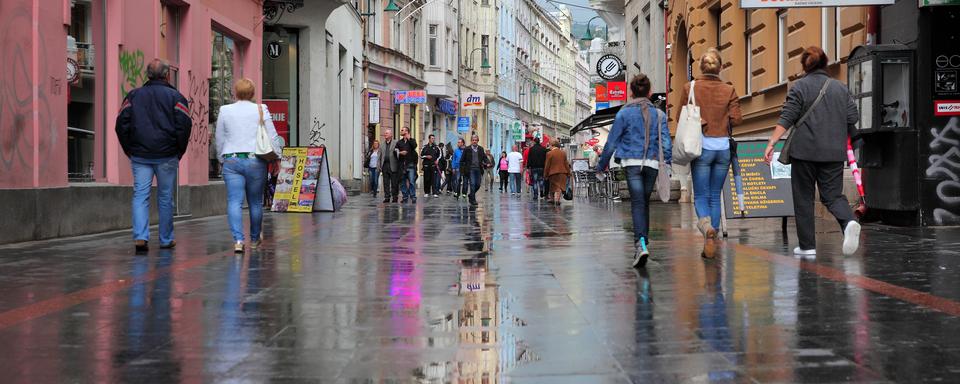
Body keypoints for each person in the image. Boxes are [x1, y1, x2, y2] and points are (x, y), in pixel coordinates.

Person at [764, 46, 861, 257]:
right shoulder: (840, 88)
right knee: (833, 195)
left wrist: (772, 142)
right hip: (833, 152)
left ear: (803, 66)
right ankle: (849, 222)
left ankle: (807, 246)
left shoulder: (799, 88)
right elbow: (852, 118)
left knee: (803, 197)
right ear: (825, 63)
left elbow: (787, 117)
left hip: (804, 152)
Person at [115, 59, 192, 252]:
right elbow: (184, 126)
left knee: (140, 195)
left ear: (147, 75)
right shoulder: (176, 97)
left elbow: (121, 124)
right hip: (167, 154)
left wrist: (129, 149)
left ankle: (140, 237)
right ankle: (166, 239)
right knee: (165, 198)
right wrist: (179, 150)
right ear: (167, 75)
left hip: (140, 155)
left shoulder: (133, 96)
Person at [597, 73, 671, 269]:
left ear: (630, 92)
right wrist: (668, 163)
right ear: (650, 92)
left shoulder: (623, 113)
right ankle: (643, 242)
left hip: (632, 162)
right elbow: (665, 142)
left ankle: (641, 244)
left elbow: (611, 142)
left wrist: (601, 165)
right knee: (644, 202)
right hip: (652, 164)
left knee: (638, 203)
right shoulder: (660, 114)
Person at [677, 48, 743, 257]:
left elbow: (681, 115)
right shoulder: (728, 89)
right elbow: (737, 119)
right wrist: (722, 121)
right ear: (721, 67)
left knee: (701, 196)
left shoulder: (690, 87)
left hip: (701, 147)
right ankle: (712, 241)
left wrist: (702, 121)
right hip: (723, 148)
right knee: (715, 195)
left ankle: (707, 230)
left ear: (700, 68)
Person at [214, 78, 281, 253]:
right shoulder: (261, 109)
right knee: (255, 202)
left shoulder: (225, 110)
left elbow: (219, 137)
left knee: (234, 202)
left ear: (235, 92)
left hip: (232, 160)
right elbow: (272, 135)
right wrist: (277, 157)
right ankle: (253, 239)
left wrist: (221, 158)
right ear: (252, 93)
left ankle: (238, 240)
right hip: (255, 160)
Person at [459, 134, 492, 206]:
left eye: (476, 140)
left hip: (478, 169)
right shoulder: (467, 149)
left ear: (477, 141)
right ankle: (473, 200)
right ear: (471, 141)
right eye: (473, 140)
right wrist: (463, 171)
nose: (474, 141)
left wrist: (488, 163)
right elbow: (462, 160)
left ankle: (471, 194)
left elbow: (484, 157)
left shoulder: (480, 149)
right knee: (472, 184)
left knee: (478, 184)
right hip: (470, 169)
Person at [544, 139, 571, 205]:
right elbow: (566, 164)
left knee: (553, 186)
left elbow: (547, 165)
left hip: (553, 173)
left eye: (549, 145)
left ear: (552, 145)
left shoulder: (549, 153)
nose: (549, 147)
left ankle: (553, 199)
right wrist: (569, 173)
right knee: (560, 186)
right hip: (563, 172)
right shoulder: (563, 153)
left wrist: (545, 175)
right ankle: (557, 199)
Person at [378, 129, 401, 203]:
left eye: (387, 133)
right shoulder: (382, 144)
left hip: (393, 165)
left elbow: (398, 153)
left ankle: (395, 197)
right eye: (385, 133)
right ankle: (387, 197)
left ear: (391, 135)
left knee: (394, 183)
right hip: (385, 165)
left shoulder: (395, 142)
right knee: (386, 182)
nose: (385, 135)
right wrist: (378, 165)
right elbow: (379, 155)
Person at [396, 127, 418, 203]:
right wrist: (400, 153)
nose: (401, 131)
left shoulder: (412, 140)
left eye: (402, 130)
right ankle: (405, 196)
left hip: (410, 165)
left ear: (407, 132)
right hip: (402, 165)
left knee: (411, 181)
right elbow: (395, 151)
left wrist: (409, 138)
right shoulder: (399, 142)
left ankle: (413, 196)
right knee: (402, 182)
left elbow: (415, 146)